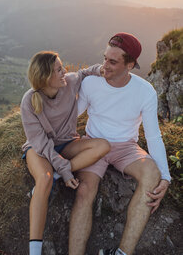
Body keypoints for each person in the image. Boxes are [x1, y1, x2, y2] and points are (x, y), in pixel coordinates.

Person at [68, 33, 171, 255]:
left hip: (126, 147)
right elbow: (72, 117)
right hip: (94, 144)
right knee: (85, 190)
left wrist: (166, 176)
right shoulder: (91, 82)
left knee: (152, 173)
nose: (104, 66)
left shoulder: (145, 91)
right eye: (105, 58)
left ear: (130, 65)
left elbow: (153, 136)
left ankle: (123, 253)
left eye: (112, 62)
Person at [20, 51, 111, 255]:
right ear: (45, 77)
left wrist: (100, 69)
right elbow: (41, 143)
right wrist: (63, 168)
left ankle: (59, 174)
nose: (64, 72)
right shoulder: (29, 101)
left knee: (103, 146)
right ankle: (35, 251)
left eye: (63, 68)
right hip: (39, 149)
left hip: (68, 143)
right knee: (44, 178)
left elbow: (85, 72)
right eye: (59, 70)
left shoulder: (69, 82)